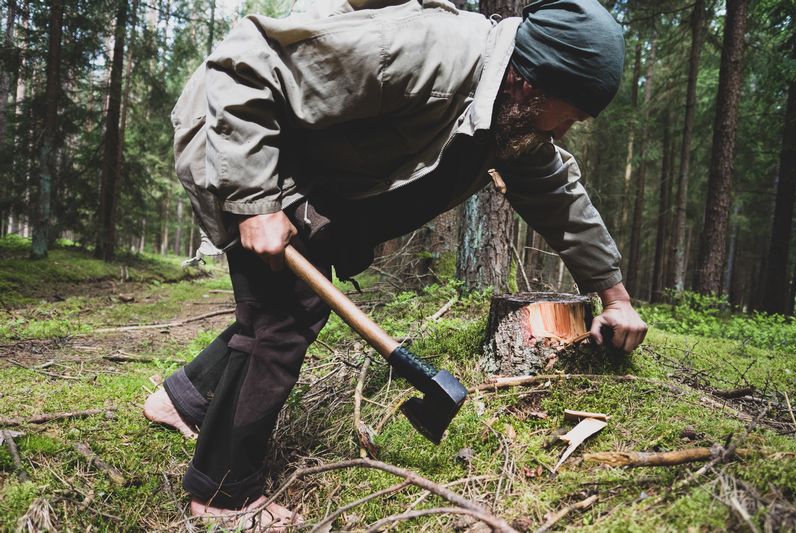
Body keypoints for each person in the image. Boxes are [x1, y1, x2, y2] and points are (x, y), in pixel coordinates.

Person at [144, 0, 648, 528]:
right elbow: (245, 64)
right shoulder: (422, 51)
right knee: (284, 316)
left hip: (306, 160)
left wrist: (615, 298)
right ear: (531, 84)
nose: (566, 130)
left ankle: (183, 400)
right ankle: (223, 497)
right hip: (236, 137)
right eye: (571, 114)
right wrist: (257, 201)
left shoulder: (512, 118)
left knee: (294, 308)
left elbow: (559, 195)